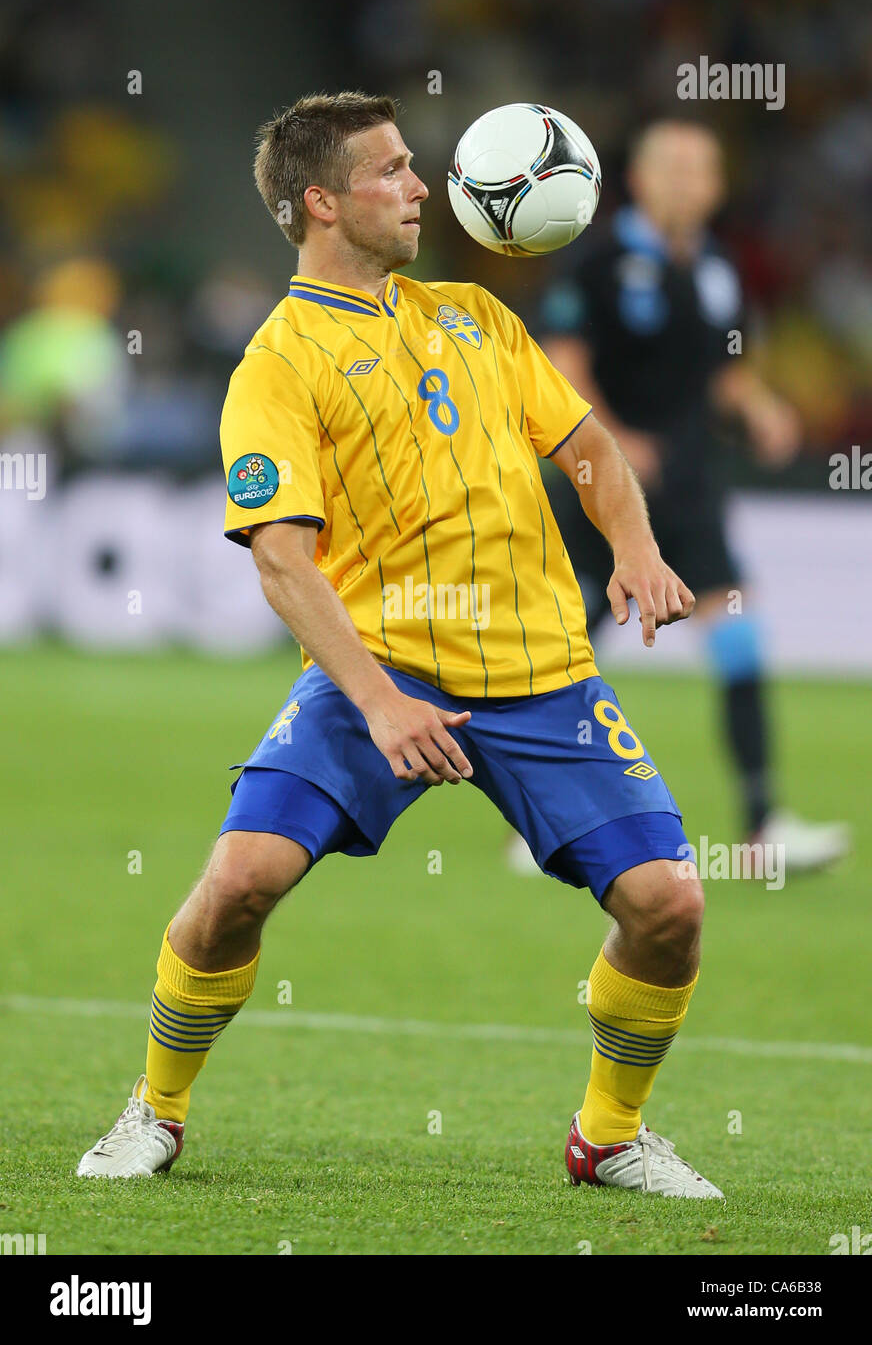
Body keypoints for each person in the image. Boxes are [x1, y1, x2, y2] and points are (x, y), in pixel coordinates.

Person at [77, 93, 722, 1198]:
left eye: (415, 167)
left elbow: (590, 450)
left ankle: (608, 1134)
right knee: (238, 882)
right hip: (378, 672)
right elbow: (282, 558)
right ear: (321, 202)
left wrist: (633, 549)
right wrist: (376, 700)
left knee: (669, 904)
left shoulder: (476, 316)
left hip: (540, 671)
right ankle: (156, 1110)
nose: (424, 187)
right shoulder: (277, 364)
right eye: (393, 171)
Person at [511, 119, 850, 876]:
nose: (689, 183)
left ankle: (764, 825)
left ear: (717, 186)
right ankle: (535, 822)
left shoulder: (719, 268)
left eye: (703, 170)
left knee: (735, 623)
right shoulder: (594, 263)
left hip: (691, 488)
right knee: (565, 644)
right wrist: (614, 439)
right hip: (598, 487)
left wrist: (758, 407)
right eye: (674, 168)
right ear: (640, 179)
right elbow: (562, 367)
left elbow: (722, 370)